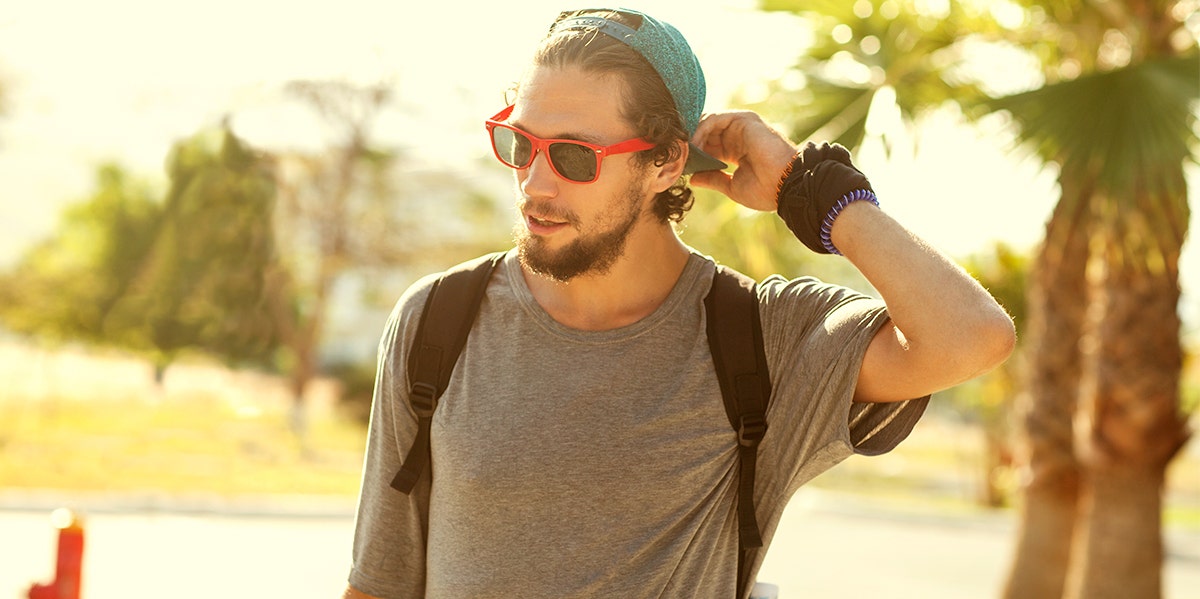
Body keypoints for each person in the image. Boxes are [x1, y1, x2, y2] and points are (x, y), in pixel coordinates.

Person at [344, 8, 1015, 599]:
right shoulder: (438, 320)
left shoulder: (761, 339)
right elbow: (378, 584)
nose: (533, 185)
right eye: (521, 145)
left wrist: (811, 191)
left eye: (575, 156)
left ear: (666, 161)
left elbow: (973, 334)